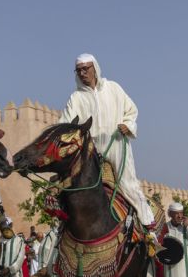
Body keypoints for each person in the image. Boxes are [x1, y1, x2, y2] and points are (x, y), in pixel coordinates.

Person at [58, 53, 155, 230]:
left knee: (128, 185)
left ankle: (149, 227)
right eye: (78, 70)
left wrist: (128, 125)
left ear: (95, 68)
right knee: (71, 188)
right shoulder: (76, 98)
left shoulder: (113, 88)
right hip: (89, 150)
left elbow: (131, 111)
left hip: (116, 144)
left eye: (85, 68)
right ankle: (60, 234)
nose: (82, 73)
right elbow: (65, 126)